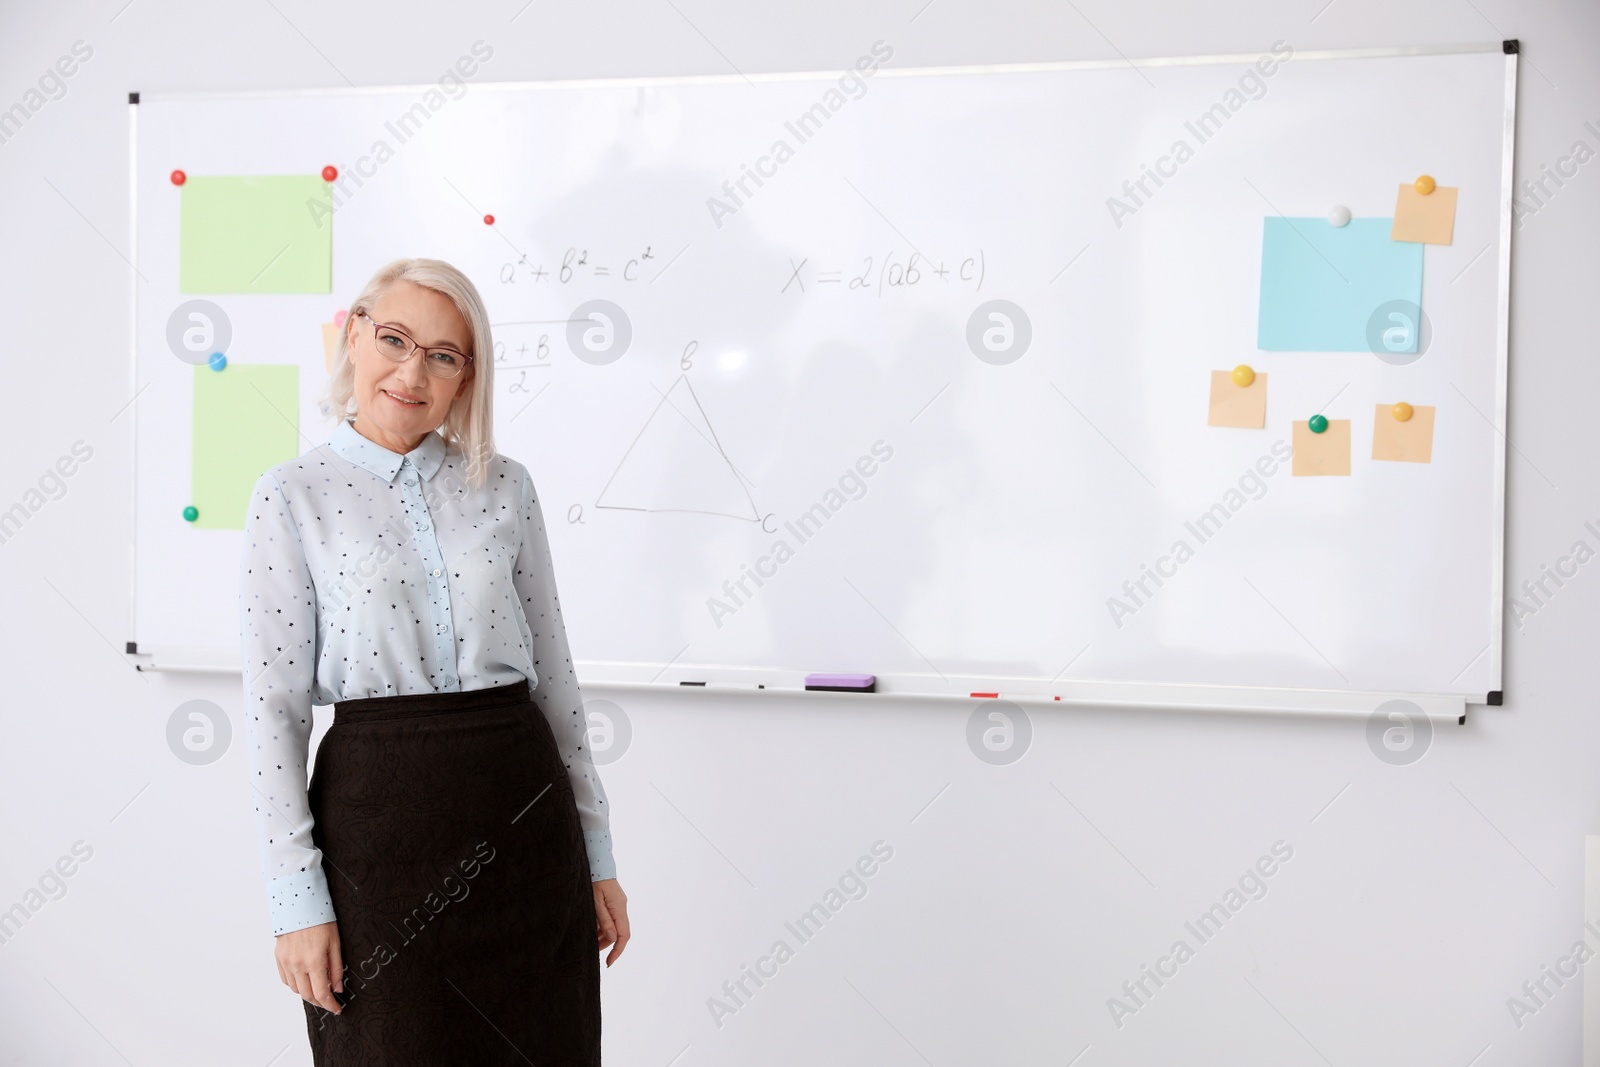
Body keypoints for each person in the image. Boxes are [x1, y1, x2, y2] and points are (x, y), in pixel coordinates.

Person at [239, 257, 628, 1064]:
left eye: (444, 355)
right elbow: (272, 713)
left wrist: (596, 854)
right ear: (355, 333)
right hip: (378, 835)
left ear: (466, 376)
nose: (413, 372)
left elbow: (555, 681)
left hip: (525, 823)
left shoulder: (506, 486)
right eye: (394, 339)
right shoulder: (292, 493)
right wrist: (295, 898)